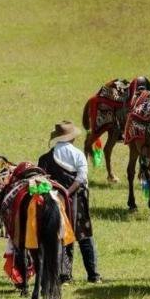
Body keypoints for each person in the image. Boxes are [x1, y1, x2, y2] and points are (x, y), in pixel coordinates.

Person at [38, 120, 102, 284]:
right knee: (85, 237)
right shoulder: (78, 154)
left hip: (54, 202)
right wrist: (69, 192)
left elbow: (42, 182)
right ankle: (93, 276)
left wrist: (60, 194)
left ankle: (64, 276)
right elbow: (81, 178)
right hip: (77, 201)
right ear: (72, 138)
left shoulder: (45, 158)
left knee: (61, 237)